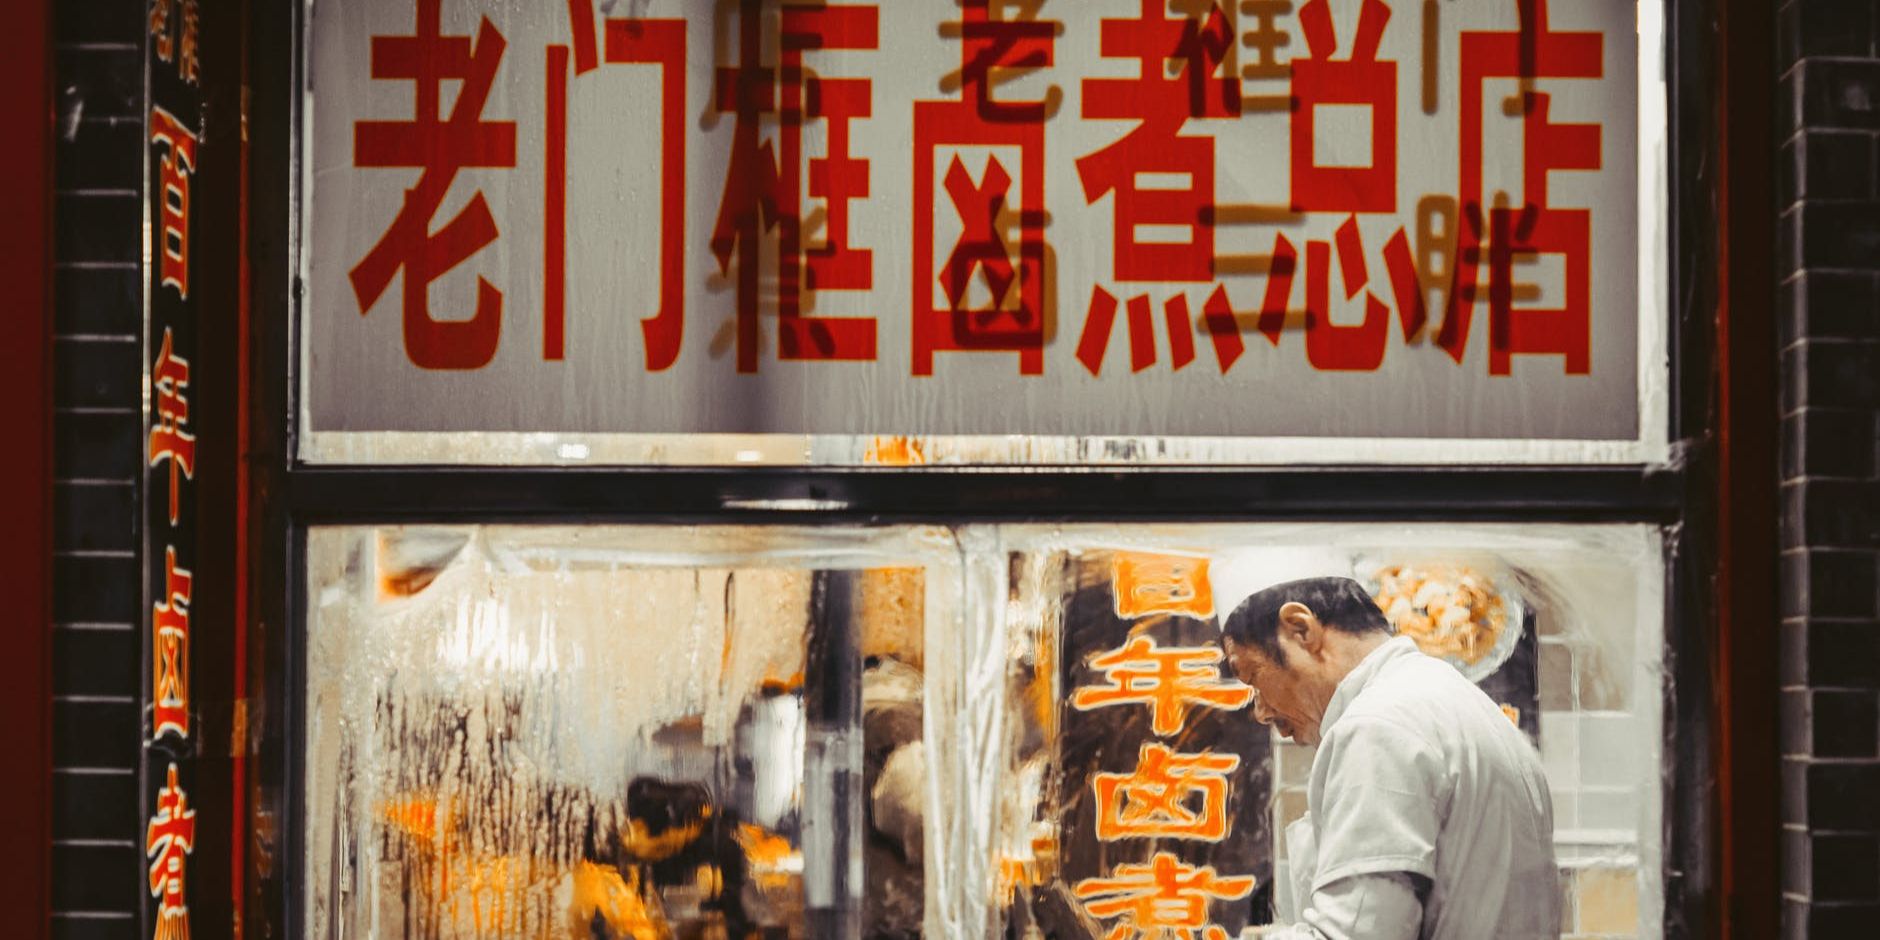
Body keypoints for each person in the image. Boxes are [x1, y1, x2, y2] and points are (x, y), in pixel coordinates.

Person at [1212, 563, 1559, 939]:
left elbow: (1356, 934)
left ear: (1301, 628)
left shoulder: (1377, 725)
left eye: (1253, 677)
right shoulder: (1457, 701)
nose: (1261, 711)